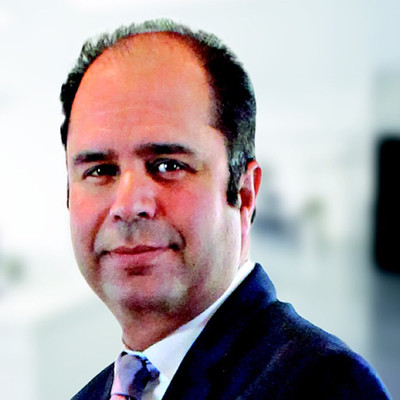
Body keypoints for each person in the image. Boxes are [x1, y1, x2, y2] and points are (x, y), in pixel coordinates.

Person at [60, 19, 390, 400]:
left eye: (168, 165)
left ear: (245, 194)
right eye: (100, 170)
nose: (128, 206)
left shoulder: (324, 387)